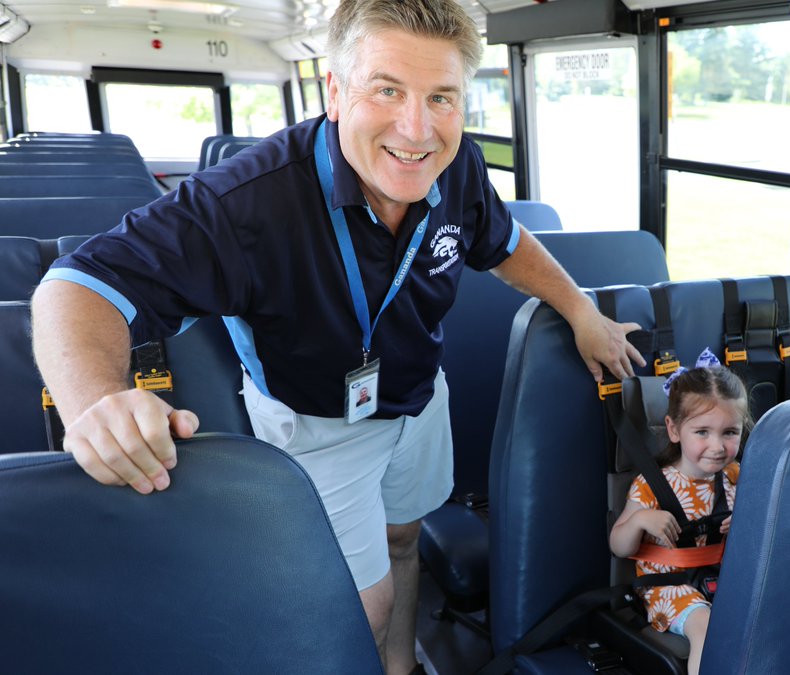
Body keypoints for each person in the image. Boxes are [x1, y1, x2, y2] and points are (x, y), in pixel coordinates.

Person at [29, 1, 644, 673]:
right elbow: (79, 282)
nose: (416, 129)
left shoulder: (456, 161)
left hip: (418, 395)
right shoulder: (248, 202)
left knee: (405, 538)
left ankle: (402, 664)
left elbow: (502, 241)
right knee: (359, 608)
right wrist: (95, 399)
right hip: (316, 418)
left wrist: (580, 309)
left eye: (441, 97)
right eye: (387, 89)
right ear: (334, 90)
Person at [608, 362, 751, 675]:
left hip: (720, 577)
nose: (717, 446)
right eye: (702, 432)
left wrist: (744, 523)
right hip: (667, 586)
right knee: (707, 627)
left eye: (729, 432)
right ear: (674, 429)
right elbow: (618, 546)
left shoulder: (736, 476)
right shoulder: (653, 485)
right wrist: (640, 520)